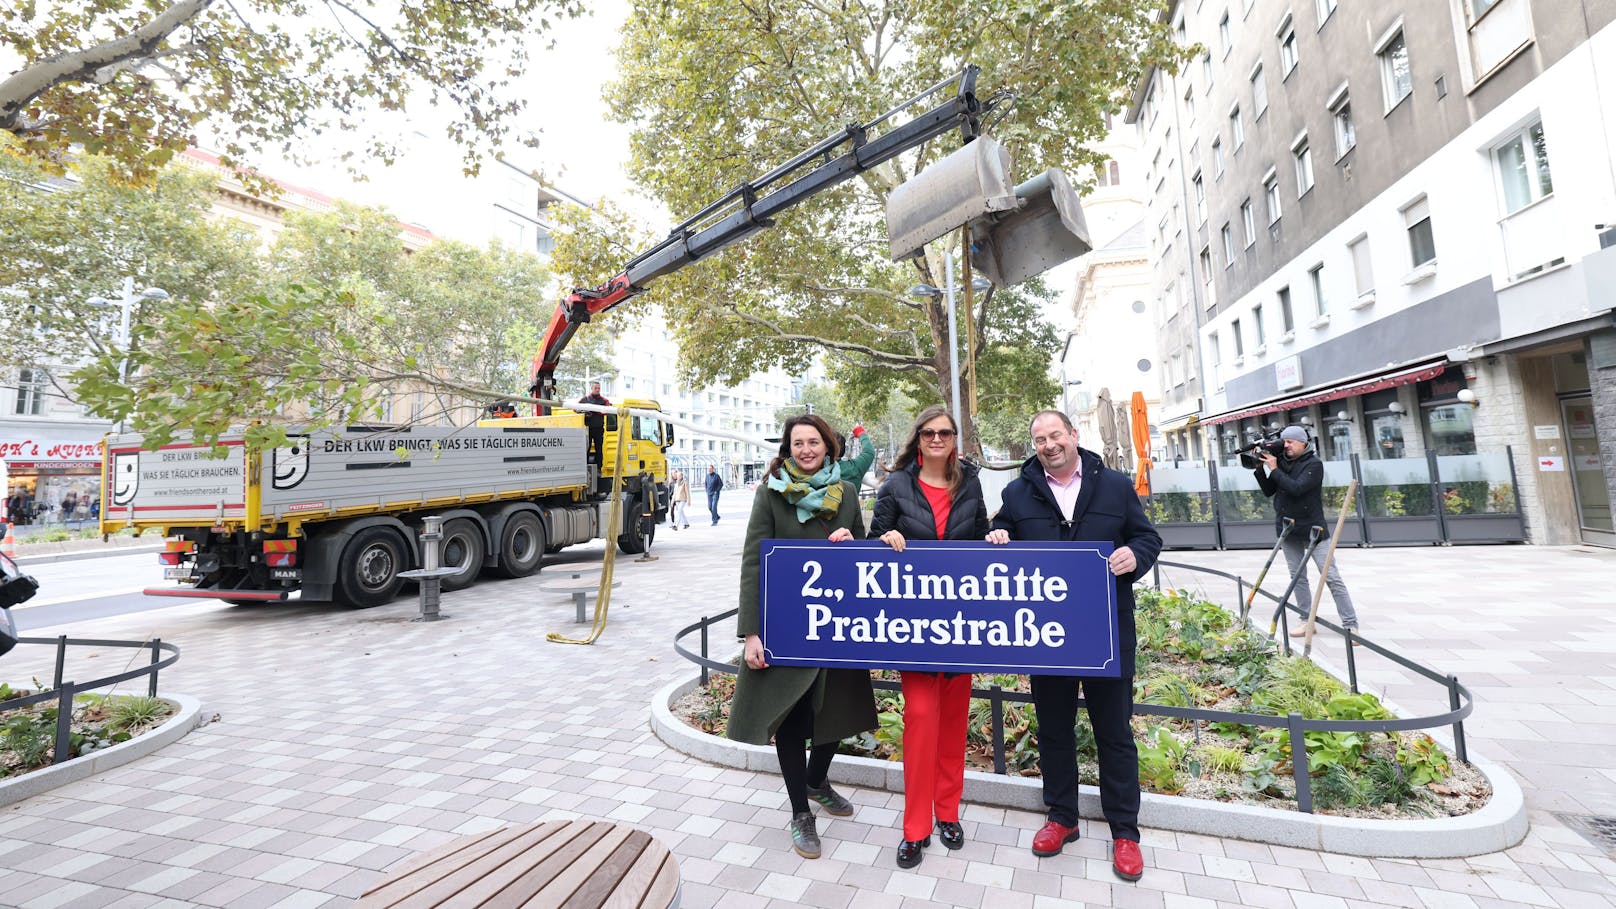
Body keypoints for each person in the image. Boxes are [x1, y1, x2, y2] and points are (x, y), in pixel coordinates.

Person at [985, 410, 1162, 882]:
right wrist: (998, 535)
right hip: (1047, 638)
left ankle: (1125, 831)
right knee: (1055, 730)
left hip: (1106, 632)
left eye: (1055, 435)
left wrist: (1135, 556)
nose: (1048, 445)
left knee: (1115, 734)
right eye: (1039, 438)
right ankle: (1062, 817)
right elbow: (1002, 532)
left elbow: (1147, 537)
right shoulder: (1017, 492)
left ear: (1073, 436)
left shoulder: (1117, 485)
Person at [728, 414, 876, 859]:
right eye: (798, 443)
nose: (806, 449)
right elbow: (754, 562)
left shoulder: (847, 492)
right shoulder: (770, 493)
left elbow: (864, 555)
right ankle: (800, 812)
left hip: (836, 626)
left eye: (814, 442)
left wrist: (852, 540)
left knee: (837, 713)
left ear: (828, 446)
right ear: (787, 448)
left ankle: (816, 781)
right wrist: (751, 632)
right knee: (791, 720)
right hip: (786, 626)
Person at [869, 405, 988, 869]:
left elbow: (982, 537)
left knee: (954, 722)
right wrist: (885, 540)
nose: (937, 438)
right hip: (912, 626)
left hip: (962, 624)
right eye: (929, 432)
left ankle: (948, 812)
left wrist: (995, 535)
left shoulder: (971, 484)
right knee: (920, 720)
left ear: (954, 439)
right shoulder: (896, 485)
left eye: (946, 432)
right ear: (918, 439)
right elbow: (871, 543)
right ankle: (915, 827)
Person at [1256, 425, 1359, 637]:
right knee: (1297, 577)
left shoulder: (1314, 464)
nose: (1286, 446)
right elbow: (1269, 491)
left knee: (1330, 576)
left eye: (1291, 442)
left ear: (1303, 443)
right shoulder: (1282, 461)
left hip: (1314, 529)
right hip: (1288, 528)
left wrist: (1275, 469)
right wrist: (1260, 468)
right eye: (1284, 442)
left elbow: (1297, 488)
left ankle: (1350, 624)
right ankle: (1306, 621)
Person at [578, 380, 612, 466]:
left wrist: (595, 410)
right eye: (595, 388)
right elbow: (575, 409)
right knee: (586, 448)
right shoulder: (585, 399)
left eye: (599, 388)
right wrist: (584, 412)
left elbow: (607, 411)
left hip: (598, 429)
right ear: (591, 388)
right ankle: (584, 467)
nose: (597, 390)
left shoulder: (604, 400)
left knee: (599, 449)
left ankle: (599, 468)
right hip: (587, 428)